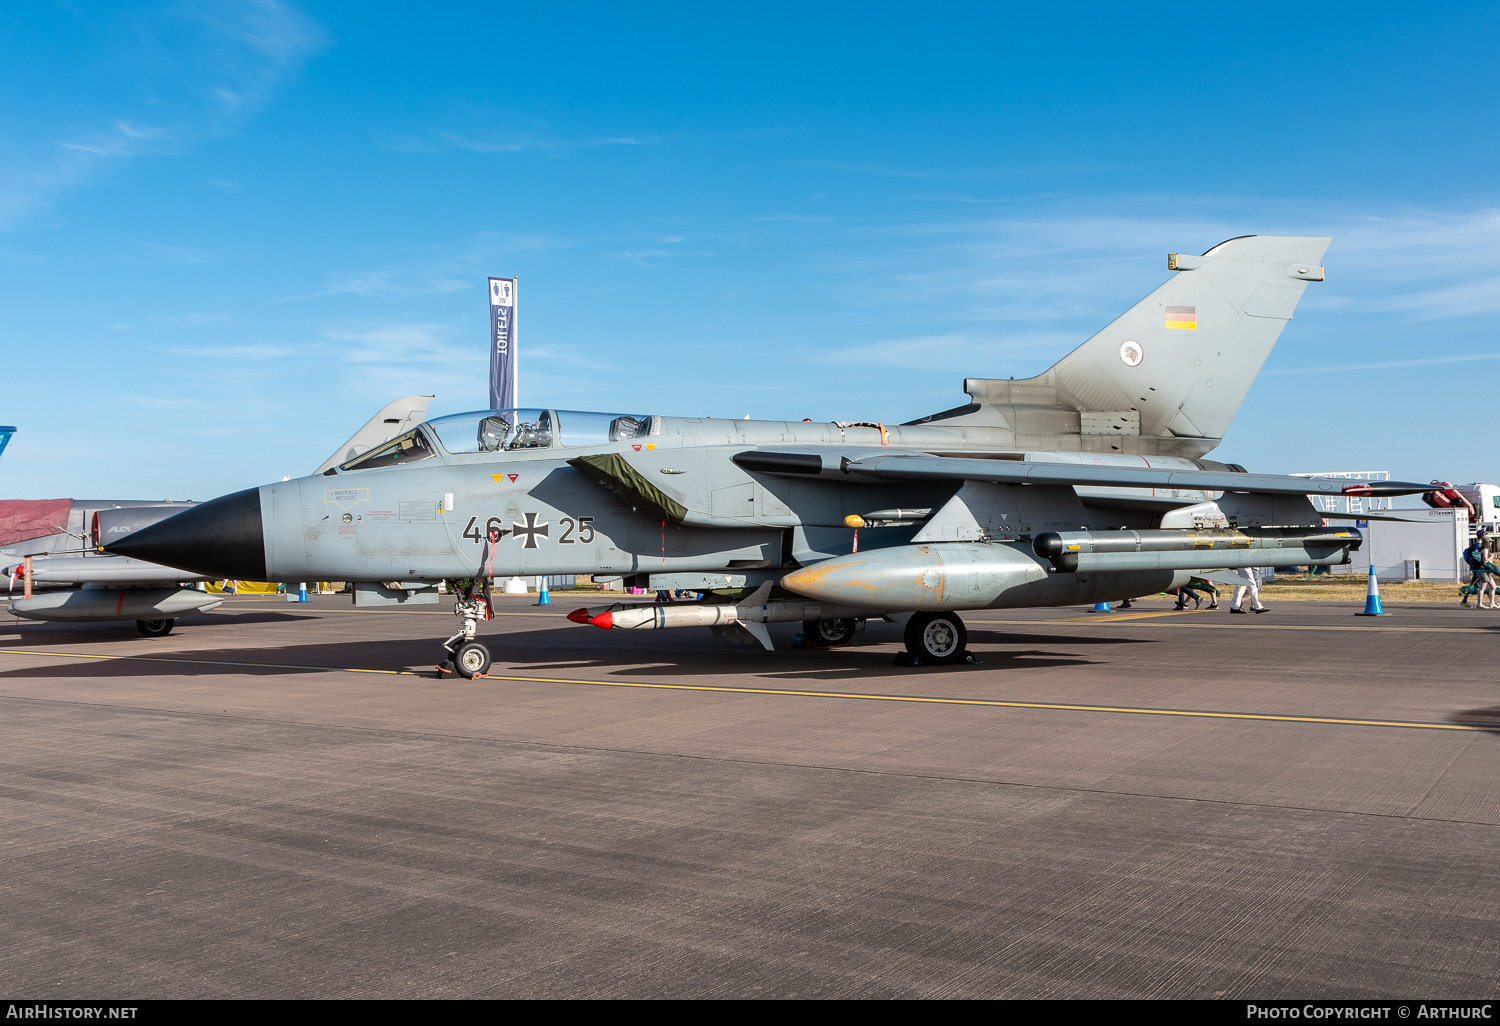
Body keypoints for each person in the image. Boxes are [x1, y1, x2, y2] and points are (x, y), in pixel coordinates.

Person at [1463, 531, 1492, 609]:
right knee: (1484, 585)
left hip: (1477, 568)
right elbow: (1479, 557)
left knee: (1475, 584)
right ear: (1483, 536)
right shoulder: (1478, 545)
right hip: (1479, 568)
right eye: (1485, 535)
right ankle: (1489, 602)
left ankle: (1464, 600)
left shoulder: (1477, 545)